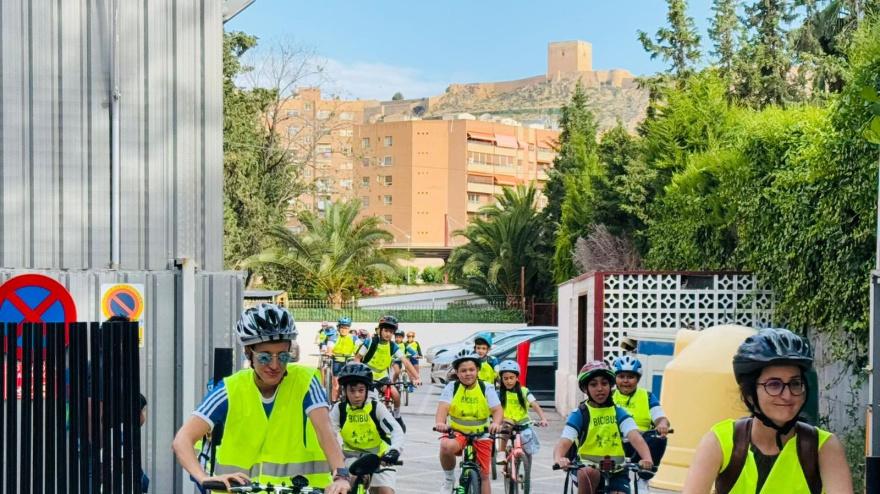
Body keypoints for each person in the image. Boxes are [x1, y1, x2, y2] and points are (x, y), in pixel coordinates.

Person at [172, 303, 351, 494]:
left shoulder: (306, 382)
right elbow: (182, 439)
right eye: (264, 357)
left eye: (282, 356)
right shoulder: (230, 389)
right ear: (249, 353)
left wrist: (341, 476)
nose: (274, 365)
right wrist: (205, 478)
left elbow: (325, 431)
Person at [682, 328, 853, 494]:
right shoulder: (720, 442)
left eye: (794, 383)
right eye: (774, 385)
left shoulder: (823, 447)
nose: (787, 395)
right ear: (749, 394)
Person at [553, 361, 654, 494]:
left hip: (617, 472)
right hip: (586, 469)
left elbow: (635, 437)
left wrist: (647, 459)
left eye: (604, 383)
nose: (600, 388)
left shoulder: (619, 412)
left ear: (610, 386)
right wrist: (560, 458)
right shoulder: (580, 414)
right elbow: (564, 441)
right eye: (593, 384)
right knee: (589, 473)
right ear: (585, 389)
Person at [435, 349, 504, 494]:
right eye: (463, 370)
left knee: (484, 476)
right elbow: (443, 408)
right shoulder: (452, 387)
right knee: (445, 445)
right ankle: (449, 479)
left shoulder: (486, 388)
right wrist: (441, 423)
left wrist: (496, 423)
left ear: (478, 370)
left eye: (472, 369)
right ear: (457, 372)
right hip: (458, 433)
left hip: (482, 434)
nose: (468, 373)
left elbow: (497, 410)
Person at [330, 363, 404, 494]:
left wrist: (394, 450)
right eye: (352, 391)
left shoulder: (376, 407)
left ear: (367, 390)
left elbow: (396, 430)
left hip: (379, 459)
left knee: (385, 492)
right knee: (345, 488)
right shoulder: (339, 410)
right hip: (349, 458)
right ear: (344, 391)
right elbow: (331, 435)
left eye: (361, 390)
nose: (357, 395)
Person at [354, 316, 421, 424]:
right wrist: (357, 373)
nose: (388, 334)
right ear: (380, 330)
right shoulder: (370, 342)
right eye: (386, 330)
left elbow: (405, 361)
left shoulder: (392, 346)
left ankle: (397, 416)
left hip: (382, 375)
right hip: (367, 375)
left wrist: (416, 377)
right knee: (372, 399)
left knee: (395, 394)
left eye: (391, 331)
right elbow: (357, 358)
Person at [611, 355, 671, 472]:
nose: (625, 381)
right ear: (615, 378)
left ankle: (643, 478)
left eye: (631, 377)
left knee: (659, 439)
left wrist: (662, 425)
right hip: (612, 441)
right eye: (621, 376)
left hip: (641, 443)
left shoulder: (647, 396)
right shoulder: (608, 395)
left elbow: (660, 417)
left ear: (637, 379)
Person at [493, 360, 549, 466]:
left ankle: (527, 473)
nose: (509, 381)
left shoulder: (524, 391)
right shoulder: (499, 393)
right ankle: (501, 453)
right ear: (501, 379)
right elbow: (493, 408)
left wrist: (543, 418)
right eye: (505, 378)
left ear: (517, 378)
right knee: (506, 427)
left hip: (523, 423)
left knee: (528, 449)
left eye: (511, 378)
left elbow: (534, 404)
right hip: (507, 421)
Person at [328, 317, 358, 402]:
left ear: (349, 328)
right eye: (342, 327)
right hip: (337, 361)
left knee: (351, 383)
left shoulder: (354, 338)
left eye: (346, 328)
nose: (344, 330)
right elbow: (330, 347)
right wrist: (330, 352)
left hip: (349, 361)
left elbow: (360, 347)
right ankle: (333, 402)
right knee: (336, 385)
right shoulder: (334, 337)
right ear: (338, 328)